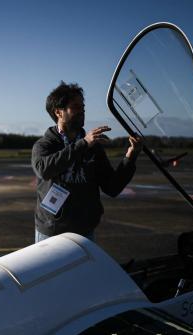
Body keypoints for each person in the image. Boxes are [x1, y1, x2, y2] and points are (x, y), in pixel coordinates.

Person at [32, 81, 142, 243]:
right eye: (75, 106)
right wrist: (83, 144)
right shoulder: (45, 145)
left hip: (84, 232)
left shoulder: (93, 148)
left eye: (82, 107)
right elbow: (44, 170)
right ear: (58, 112)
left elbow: (112, 187)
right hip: (50, 232)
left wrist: (130, 157)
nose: (82, 111)